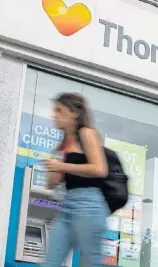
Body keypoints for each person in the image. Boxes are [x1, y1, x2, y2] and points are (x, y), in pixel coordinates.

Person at [42, 93, 109, 267]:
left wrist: (63, 166)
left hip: (88, 205)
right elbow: (51, 184)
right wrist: (53, 168)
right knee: (50, 263)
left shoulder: (87, 133)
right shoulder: (62, 144)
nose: (54, 115)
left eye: (59, 110)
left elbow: (99, 169)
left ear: (74, 113)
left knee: (91, 263)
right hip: (67, 206)